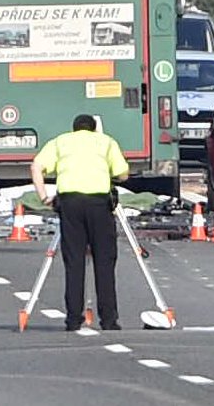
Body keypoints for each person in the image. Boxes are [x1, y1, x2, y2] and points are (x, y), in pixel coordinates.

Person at [31, 114, 130, 332]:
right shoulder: (106, 142)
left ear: (74, 128)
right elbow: (123, 174)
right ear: (94, 129)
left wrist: (44, 196)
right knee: (104, 261)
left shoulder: (60, 141)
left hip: (70, 204)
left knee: (74, 261)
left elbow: (36, 166)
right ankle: (109, 319)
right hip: (98, 204)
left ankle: (73, 318)